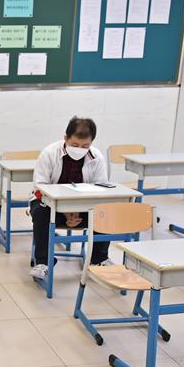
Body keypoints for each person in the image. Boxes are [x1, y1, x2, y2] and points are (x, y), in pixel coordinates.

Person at [29, 117, 113, 282]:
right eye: (75, 145)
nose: (79, 149)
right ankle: (43, 262)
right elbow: (40, 188)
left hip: (84, 208)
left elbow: (100, 190)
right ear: (66, 138)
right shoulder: (49, 153)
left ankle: (99, 259)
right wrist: (65, 210)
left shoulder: (96, 157)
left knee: (105, 212)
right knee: (40, 212)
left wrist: (77, 210)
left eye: (85, 146)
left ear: (91, 142)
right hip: (50, 205)